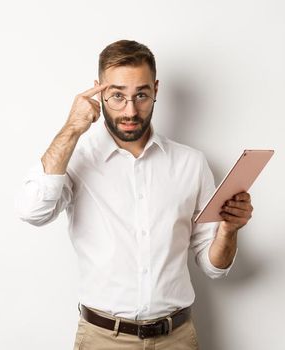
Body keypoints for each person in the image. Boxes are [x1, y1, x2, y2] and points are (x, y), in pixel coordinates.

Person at [14, 40, 254, 350]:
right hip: (103, 340)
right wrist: (72, 129)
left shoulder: (191, 163)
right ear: (98, 92)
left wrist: (229, 230)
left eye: (141, 95)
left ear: (156, 90)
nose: (130, 110)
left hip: (177, 339)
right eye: (117, 96)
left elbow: (214, 267)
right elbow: (32, 212)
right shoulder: (76, 158)